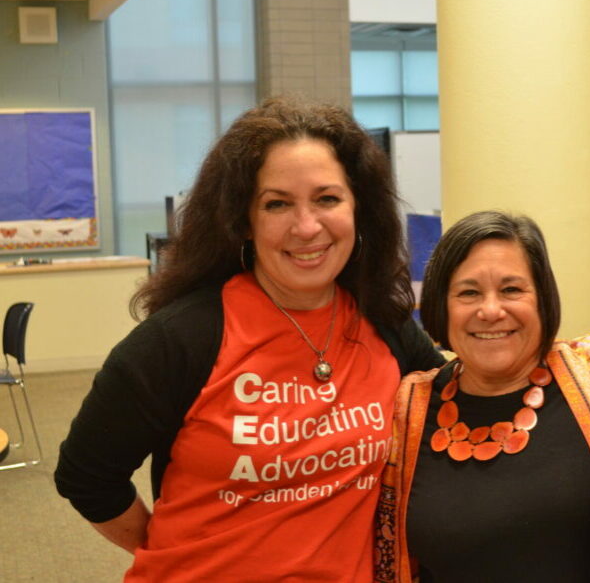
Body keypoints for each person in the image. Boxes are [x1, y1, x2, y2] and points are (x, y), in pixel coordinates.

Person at [54, 97, 443, 581]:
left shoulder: (385, 323)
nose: (306, 227)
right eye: (277, 203)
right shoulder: (181, 340)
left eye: (327, 198)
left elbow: (457, 404)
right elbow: (86, 476)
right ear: (244, 220)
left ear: (358, 208)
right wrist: (174, 551)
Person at [375, 210, 590, 582]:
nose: (490, 311)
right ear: (440, 305)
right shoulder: (406, 406)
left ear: (542, 299)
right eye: (468, 292)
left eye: (511, 290)